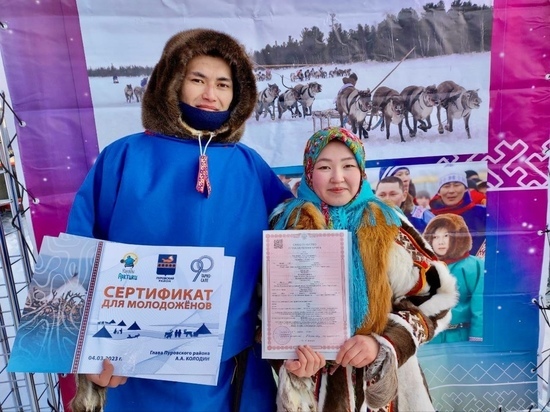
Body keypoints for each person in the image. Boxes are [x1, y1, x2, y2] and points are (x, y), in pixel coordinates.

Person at [66, 29, 292, 412]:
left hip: (233, 373)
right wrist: (82, 353)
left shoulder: (250, 165)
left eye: (223, 83)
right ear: (171, 82)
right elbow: (76, 252)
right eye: (197, 79)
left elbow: (296, 247)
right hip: (131, 369)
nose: (211, 93)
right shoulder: (121, 158)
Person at [269, 127, 457, 411]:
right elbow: (263, 308)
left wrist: (384, 343)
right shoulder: (285, 223)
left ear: (362, 170)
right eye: (324, 166)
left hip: (379, 391)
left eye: (348, 166)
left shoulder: (387, 223)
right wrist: (286, 358)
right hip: (310, 390)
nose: (338, 177)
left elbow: (437, 298)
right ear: (309, 172)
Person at [423, 214, 484, 343]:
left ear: (458, 237)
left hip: (460, 337)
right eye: (435, 237)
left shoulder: (474, 265)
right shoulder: (422, 266)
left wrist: (477, 339)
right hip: (430, 339)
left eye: (446, 236)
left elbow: (480, 306)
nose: (441, 242)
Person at [429, 168, 486, 255]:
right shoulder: (429, 216)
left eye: (456, 185)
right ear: (439, 192)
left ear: (466, 189)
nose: (451, 191)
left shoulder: (482, 213)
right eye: (446, 186)